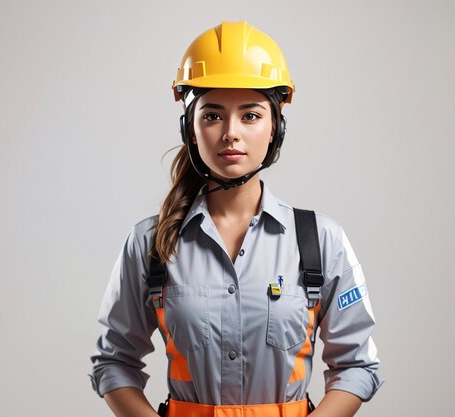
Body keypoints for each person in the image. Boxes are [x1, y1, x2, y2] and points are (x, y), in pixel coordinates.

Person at [89, 21, 383, 417]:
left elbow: (357, 366)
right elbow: (114, 361)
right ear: (190, 129)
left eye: (250, 115)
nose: (231, 133)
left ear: (276, 127)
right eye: (212, 115)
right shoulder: (149, 243)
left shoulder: (320, 241)